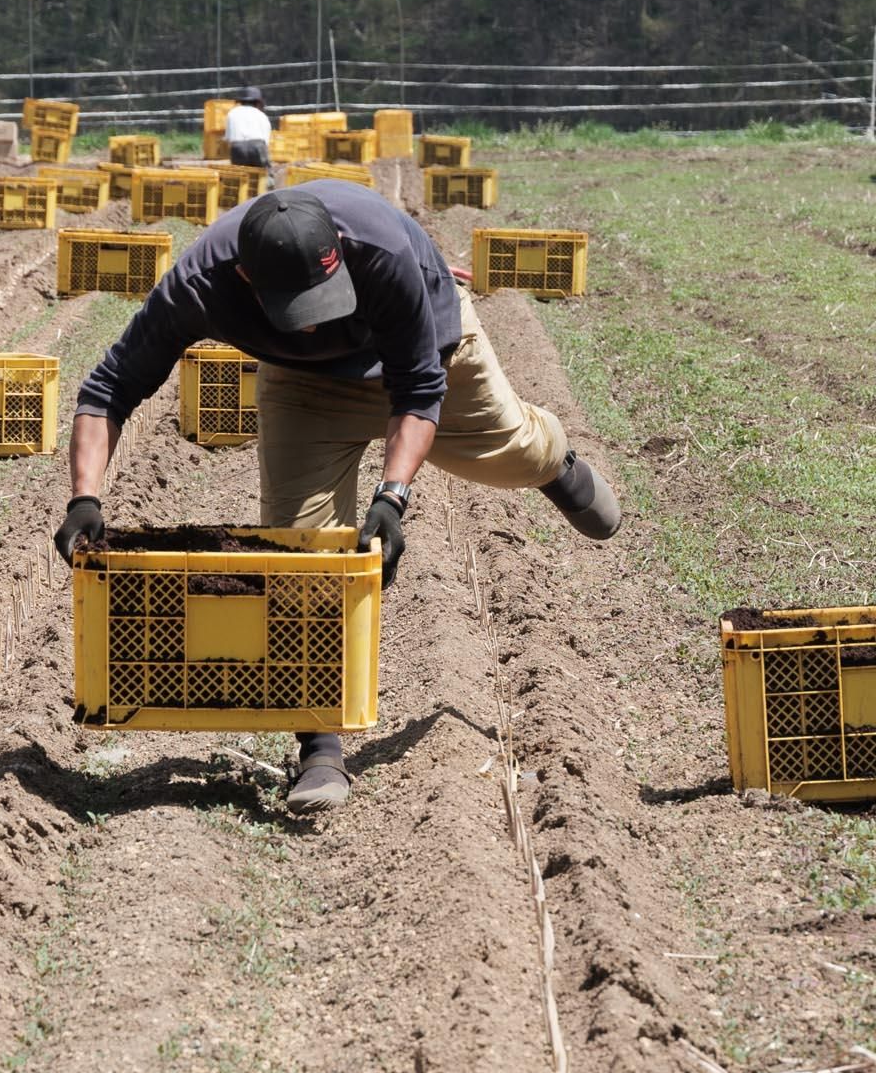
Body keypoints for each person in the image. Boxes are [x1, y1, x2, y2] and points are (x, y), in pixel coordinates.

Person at [56, 182, 621, 814]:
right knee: (300, 552)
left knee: (514, 452)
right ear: (245, 276)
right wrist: (85, 500)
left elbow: (418, 388)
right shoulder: (199, 283)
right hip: (307, 385)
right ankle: (320, 747)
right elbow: (110, 387)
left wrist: (393, 497)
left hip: (430, 354)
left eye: (325, 298)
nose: (319, 318)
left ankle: (554, 461)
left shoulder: (381, 253)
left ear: (339, 254)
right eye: (300, 306)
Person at [223, 86, 272, 170]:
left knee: (240, 175)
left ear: (240, 101)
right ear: (257, 102)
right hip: (257, 146)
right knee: (264, 175)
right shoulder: (262, 115)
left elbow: (228, 138)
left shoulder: (232, 113)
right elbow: (265, 141)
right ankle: (269, 182)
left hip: (237, 148)